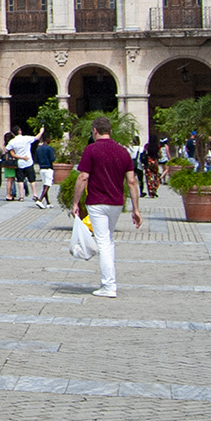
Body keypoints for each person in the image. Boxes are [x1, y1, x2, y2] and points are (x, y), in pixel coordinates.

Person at [69, 116, 141, 298]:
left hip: (97, 202)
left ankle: (109, 285)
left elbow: (83, 177)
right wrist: (136, 209)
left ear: (94, 130)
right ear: (111, 131)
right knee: (107, 240)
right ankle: (108, 282)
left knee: (103, 242)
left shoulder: (91, 150)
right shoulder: (123, 151)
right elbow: (131, 181)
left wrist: (75, 202)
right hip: (116, 202)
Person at [6, 129, 35, 201]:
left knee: (20, 180)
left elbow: (6, 149)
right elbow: (36, 137)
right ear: (20, 131)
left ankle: (21, 196)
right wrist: (41, 131)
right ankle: (35, 194)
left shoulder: (12, 142)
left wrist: (13, 152)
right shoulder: (26, 138)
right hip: (28, 162)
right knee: (32, 180)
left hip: (19, 163)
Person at [31, 132, 56, 208]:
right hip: (48, 168)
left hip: (41, 168)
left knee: (45, 185)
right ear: (47, 139)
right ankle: (40, 200)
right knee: (47, 185)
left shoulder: (38, 149)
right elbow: (52, 158)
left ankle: (48, 202)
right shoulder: (49, 148)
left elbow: (36, 159)